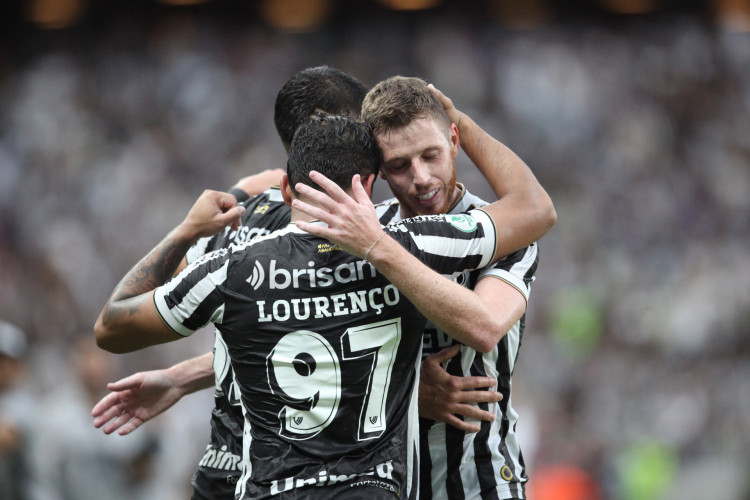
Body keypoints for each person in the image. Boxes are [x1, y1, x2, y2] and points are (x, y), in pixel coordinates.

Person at [94, 114, 553, 498]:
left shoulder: (228, 271)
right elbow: (534, 211)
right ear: (371, 185)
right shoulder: (410, 247)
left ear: (286, 191)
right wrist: (454, 119)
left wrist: (184, 232)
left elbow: (112, 326)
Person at [91, 65, 371, 500]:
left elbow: (115, 324)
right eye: (363, 127)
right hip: (313, 476)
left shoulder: (234, 225)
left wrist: (186, 229)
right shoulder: (362, 239)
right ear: (329, 130)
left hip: (224, 469)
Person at [362, 76, 541, 499]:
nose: (421, 178)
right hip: (384, 482)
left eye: (431, 155)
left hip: (481, 479)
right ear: (381, 171)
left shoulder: (504, 228)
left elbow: (485, 327)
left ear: (455, 141)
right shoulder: (365, 232)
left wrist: (385, 253)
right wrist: (403, 394)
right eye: (401, 165)